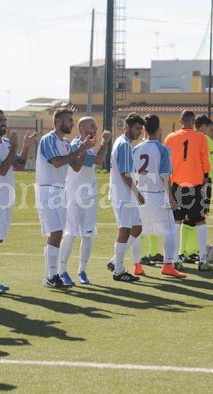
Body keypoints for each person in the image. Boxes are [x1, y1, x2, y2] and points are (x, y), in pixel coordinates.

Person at [0, 109, 37, 294]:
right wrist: (13, 148)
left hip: (6, 199)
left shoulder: (5, 143)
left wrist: (25, 147)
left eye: (4, 120)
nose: (3, 123)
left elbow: (18, 166)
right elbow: (1, 170)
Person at [35, 108, 95, 288]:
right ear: (59, 122)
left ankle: (52, 275)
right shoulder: (49, 139)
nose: (72, 123)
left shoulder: (67, 144)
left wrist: (83, 149)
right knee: (55, 232)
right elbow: (57, 162)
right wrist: (80, 149)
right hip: (48, 189)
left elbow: (76, 167)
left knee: (58, 232)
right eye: (69, 120)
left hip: (60, 190)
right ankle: (50, 276)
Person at [58, 116, 111, 285]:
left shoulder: (89, 146)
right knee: (71, 234)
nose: (95, 129)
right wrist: (103, 142)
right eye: (92, 126)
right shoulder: (75, 145)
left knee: (88, 235)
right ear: (82, 129)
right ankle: (62, 270)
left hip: (89, 197)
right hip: (73, 197)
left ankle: (82, 270)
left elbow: (99, 160)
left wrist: (103, 143)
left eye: (95, 126)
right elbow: (89, 163)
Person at [133, 114, 183, 278]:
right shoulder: (163, 149)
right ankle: (168, 265)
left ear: (145, 129)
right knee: (170, 231)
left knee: (138, 232)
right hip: (157, 195)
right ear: (159, 130)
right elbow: (165, 175)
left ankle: (137, 265)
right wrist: (171, 198)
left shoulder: (136, 148)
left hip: (140, 194)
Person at [164, 110, 213, 271]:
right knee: (200, 221)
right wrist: (205, 177)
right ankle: (202, 260)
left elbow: (166, 162)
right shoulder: (201, 137)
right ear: (193, 122)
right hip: (195, 185)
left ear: (180, 121)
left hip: (177, 184)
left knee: (176, 222)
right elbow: (204, 159)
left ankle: (176, 258)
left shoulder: (170, 138)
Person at [182, 115, 213, 261]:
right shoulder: (204, 139)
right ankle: (187, 251)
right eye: (211, 129)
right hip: (202, 182)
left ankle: (188, 250)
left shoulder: (192, 138)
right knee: (197, 218)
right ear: (203, 127)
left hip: (189, 181)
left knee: (189, 217)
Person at [107, 112, 145, 281]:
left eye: (141, 129)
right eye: (137, 128)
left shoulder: (124, 143)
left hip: (126, 194)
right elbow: (124, 174)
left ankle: (115, 261)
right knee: (125, 229)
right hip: (123, 194)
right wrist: (137, 193)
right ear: (127, 127)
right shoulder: (123, 144)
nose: (140, 132)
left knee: (137, 227)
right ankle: (118, 271)